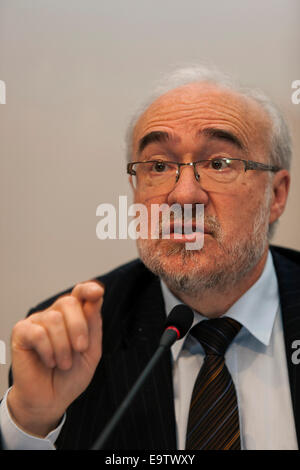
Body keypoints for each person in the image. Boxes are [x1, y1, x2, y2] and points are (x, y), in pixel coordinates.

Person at [1, 65, 299, 450]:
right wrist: (31, 423)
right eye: (159, 166)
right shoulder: (73, 344)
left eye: (218, 164)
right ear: (136, 189)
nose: (184, 196)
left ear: (276, 195)